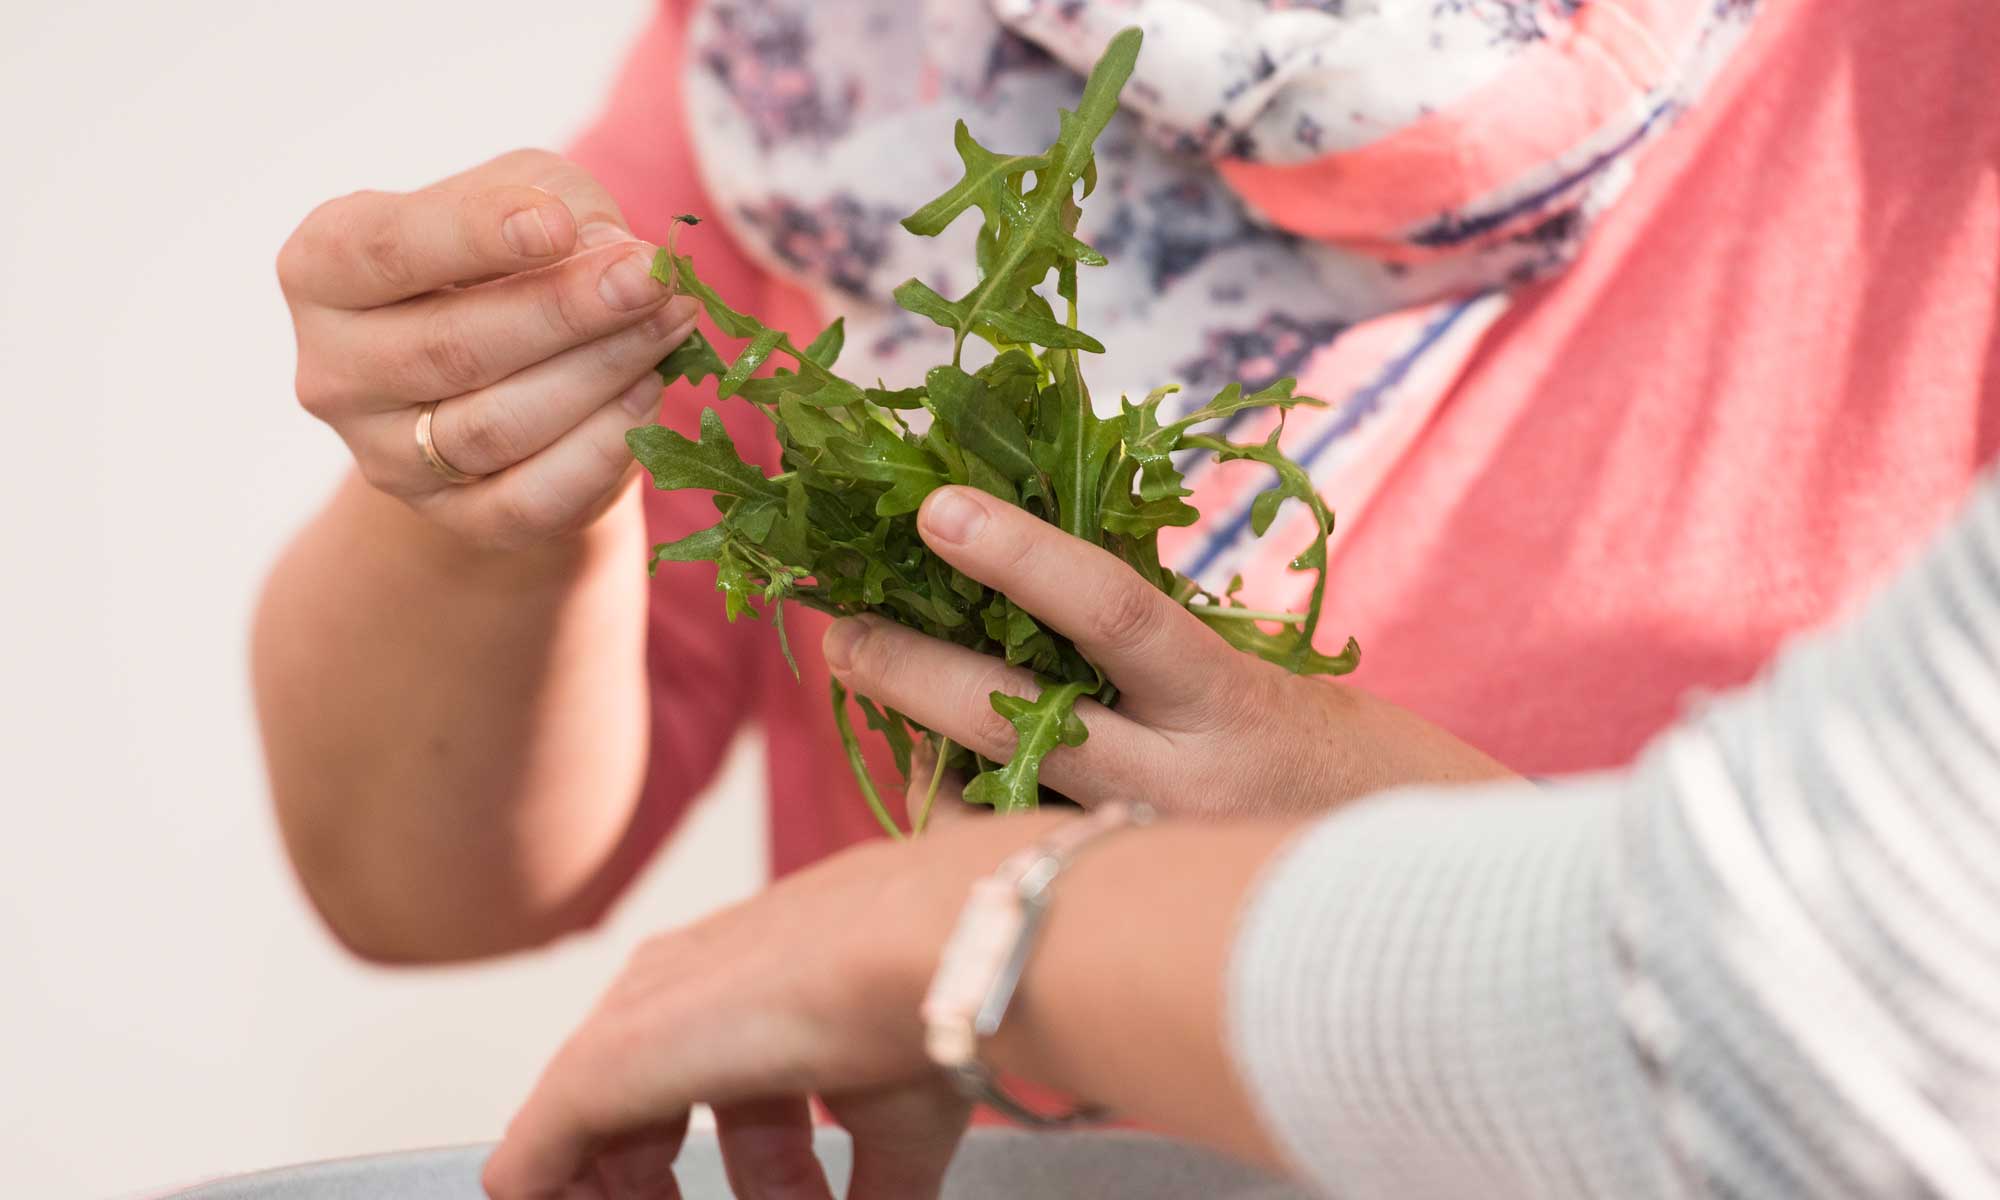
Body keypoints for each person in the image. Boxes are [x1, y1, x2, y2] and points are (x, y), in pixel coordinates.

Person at [253, 0, 1999, 970]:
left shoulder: (1922, 77)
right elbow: (426, 887)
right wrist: (484, 494)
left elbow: (1921, 1042)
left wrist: (1399, 883)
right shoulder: (827, 57)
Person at [476, 470, 2000, 1199]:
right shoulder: (797, 66)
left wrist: (973, 922)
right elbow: (434, 883)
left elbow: (1817, 1032)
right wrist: (471, 484)